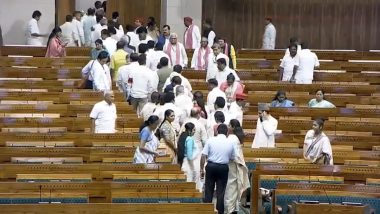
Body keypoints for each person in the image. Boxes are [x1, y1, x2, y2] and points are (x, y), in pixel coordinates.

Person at [201, 124, 235, 214]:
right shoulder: (231, 142)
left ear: (217, 131)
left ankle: (206, 211)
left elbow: (203, 155)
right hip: (223, 168)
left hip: (211, 166)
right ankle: (220, 212)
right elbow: (232, 157)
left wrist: (201, 169)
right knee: (221, 192)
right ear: (227, 132)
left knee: (208, 190)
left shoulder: (210, 140)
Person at [224, 119, 250, 214]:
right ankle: (233, 209)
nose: (227, 127)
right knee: (234, 188)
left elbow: (233, 154)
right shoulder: (235, 137)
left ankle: (229, 210)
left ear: (233, 127)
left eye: (229, 125)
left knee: (230, 188)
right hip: (233, 165)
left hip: (232, 165)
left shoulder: (232, 138)